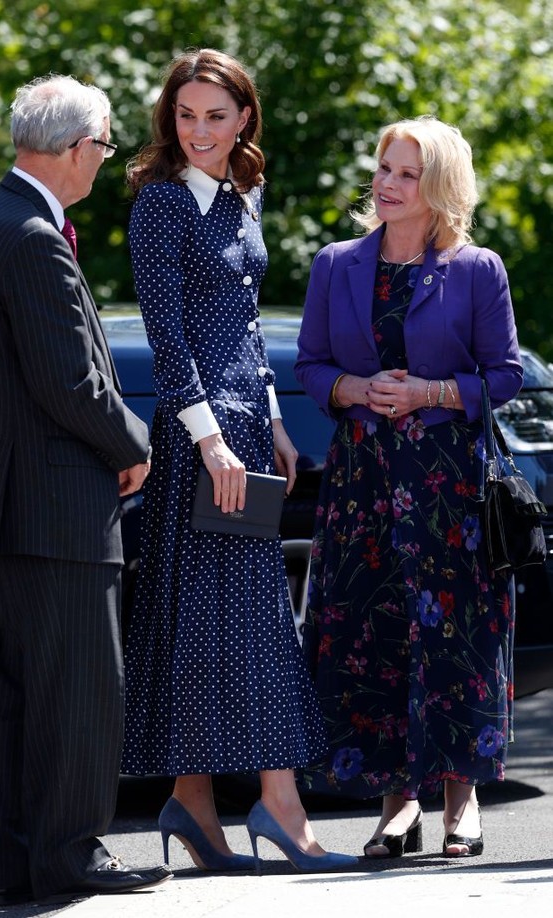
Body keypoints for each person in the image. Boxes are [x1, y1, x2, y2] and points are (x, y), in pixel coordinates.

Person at [120, 48, 356, 874]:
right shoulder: (159, 207)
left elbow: (246, 325)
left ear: (245, 117)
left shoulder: (242, 194)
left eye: (216, 116)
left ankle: (193, 805)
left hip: (251, 432)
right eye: (186, 116)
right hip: (199, 442)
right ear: (169, 119)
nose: (199, 131)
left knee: (222, 622)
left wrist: (279, 426)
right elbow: (167, 337)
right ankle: (279, 806)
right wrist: (210, 438)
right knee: (236, 619)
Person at [0, 74, 172, 905]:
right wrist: (135, 442)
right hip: (55, 502)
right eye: (105, 148)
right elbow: (70, 381)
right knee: (78, 693)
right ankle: (71, 856)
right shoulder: (32, 234)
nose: (105, 163)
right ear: (78, 148)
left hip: (17, 507)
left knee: (23, 700)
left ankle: (18, 866)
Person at [295, 115, 523, 860]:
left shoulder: (477, 267)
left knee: (456, 638)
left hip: (448, 487)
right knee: (375, 636)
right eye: (384, 169)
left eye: (405, 174)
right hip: (363, 480)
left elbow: (506, 375)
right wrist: (354, 388)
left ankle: (462, 800)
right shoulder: (337, 263)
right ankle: (398, 805)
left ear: (439, 187)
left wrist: (431, 394)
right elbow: (310, 367)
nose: (386, 185)